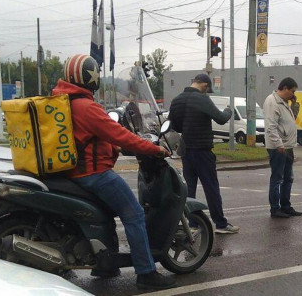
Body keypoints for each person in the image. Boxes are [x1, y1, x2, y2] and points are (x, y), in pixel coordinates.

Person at [52, 54, 175, 290]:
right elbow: (121, 134)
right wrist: (154, 149)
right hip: (94, 174)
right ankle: (146, 273)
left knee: (106, 212)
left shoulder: (62, 101)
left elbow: (87, 138)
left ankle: (105, 264)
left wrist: (113, 147)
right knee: (134, 214)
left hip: (73, 171)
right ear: (91, 77)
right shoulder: (87, 107)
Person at [168, 74, 239, 234]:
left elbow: (176, 126)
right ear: (205, 85)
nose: (207, 92)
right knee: (211, 188)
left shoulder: (177, 100)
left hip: (186, 150)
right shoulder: (201, 98)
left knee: (189, 189)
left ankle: (192, 224)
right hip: (202, 150)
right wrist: (228, 111)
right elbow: (220, 118)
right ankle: (220, 224)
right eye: (207, 89)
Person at [262, 77, 302, 218]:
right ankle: (275, 209)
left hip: (287, 146)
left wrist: (294, 105)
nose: (293, 94)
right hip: (278, 147)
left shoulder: (284, 102)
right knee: (277, 178)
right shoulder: (273, 102)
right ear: (284, 88)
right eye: (292, 91)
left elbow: (291, 121)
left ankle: (286, 206)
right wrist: (279, 144)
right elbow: (271, 127)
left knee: (288, 178)